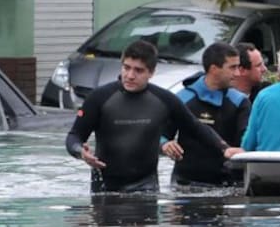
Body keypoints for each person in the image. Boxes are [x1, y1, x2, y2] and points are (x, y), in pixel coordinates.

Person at [65, 40, 240, 193]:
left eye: (138, 70)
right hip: (105, 188)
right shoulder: (99, 98)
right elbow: (74, 136)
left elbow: (195, 127)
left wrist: (224, 148)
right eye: (126, 68)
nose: (130, 75)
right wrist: (81, 152)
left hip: (146, 188)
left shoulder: (164, 100)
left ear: (151, 72)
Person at [169, 42, 251, 187]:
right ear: (214, 69)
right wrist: (165, 143)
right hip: (185, 183)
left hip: (227, 183)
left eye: (238, 67)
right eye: (232, 68)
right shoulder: (183, 98)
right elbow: (161, 133)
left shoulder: (240, 102)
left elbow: (246, 142)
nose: (238, 74)